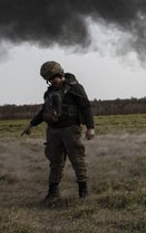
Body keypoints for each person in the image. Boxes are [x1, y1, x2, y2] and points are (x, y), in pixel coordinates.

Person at [22, 61, 96, 201]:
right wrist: (31, 124)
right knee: (55, 161)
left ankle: (83, 191)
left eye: (53, 78)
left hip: (71, 129)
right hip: (53, 131)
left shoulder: (75, 88)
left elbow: (86, 107)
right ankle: (53, 192)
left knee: (77, 160)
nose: (52, 82)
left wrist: (90, 127)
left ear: (60, 74)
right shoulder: (50, 92)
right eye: (49, 80)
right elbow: (44, 110)